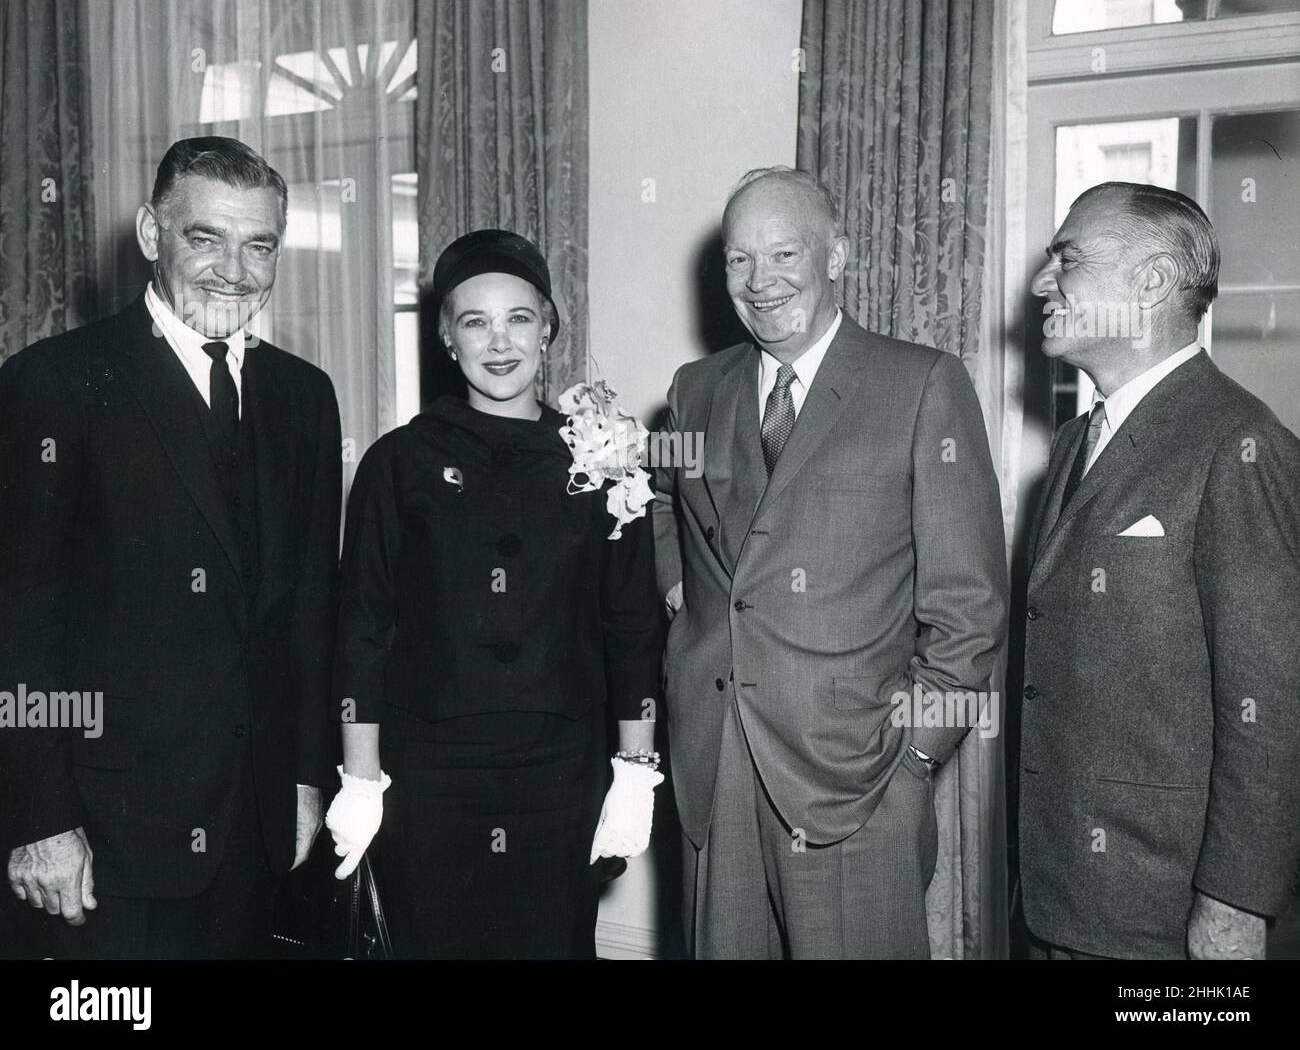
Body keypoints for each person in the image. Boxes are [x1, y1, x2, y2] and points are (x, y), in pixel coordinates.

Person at [652, 167, 1008, 959]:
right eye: (739, 261)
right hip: (717, 767)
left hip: (861, 778)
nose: (760, 281)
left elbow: (972, 611)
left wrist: (914, 755)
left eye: (784, 254)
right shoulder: (692, 391)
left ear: (837, 255)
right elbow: (661, 493)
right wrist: (681, 590)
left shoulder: (921, 384)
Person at [0, 137, 341, 959]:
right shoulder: (54, 382)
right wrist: (40, 819)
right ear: (153, 235)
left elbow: (308, 611)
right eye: (205, 237)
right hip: (101, 839)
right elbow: (17, 622)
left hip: (252, 830)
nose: (235, 269)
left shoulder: (304, 396)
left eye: (259, 244)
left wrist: (300, 780)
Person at [325, 229, 665, 959]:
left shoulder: (605, 459)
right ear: (447, 338)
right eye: (474, 321)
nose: (499, 340)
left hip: (559, 776)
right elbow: (362, 628)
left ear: (548, 327)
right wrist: (359, 779)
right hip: (429, 779)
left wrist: (635, 775)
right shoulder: (398, 462)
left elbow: (632, 626)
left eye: (518, 316)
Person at [1019, 182, 1300, 960]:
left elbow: (1270, 703)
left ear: (1150, 282)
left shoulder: (1241, 445)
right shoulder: (1078, 442)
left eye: (1066, 259)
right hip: (1060, 895)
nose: (1043, 283)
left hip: (1162, 915)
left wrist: (1236, 902)